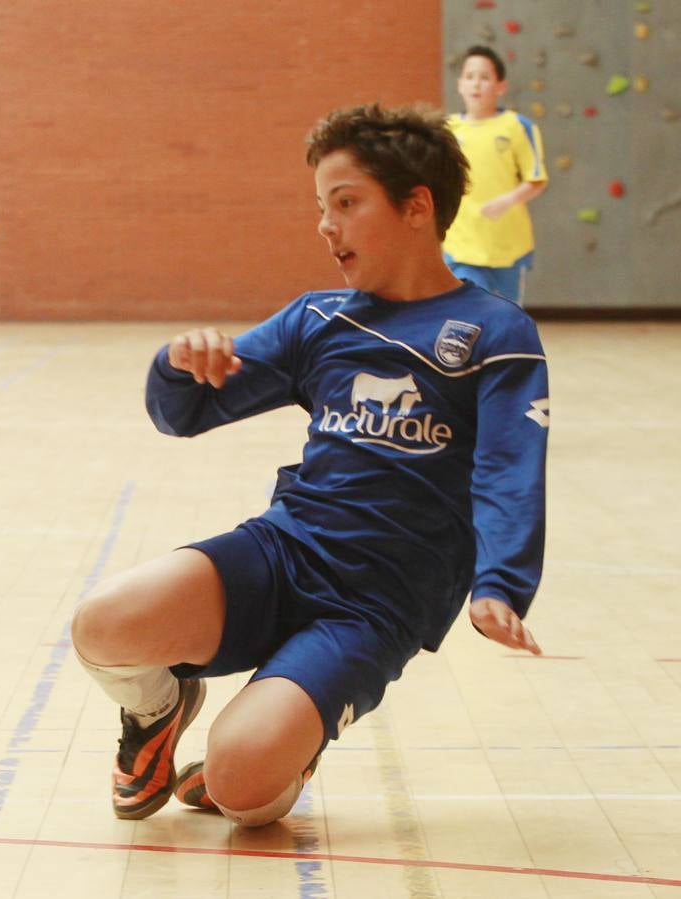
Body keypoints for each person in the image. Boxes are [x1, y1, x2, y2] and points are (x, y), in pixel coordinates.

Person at [71, 104, 550, 827]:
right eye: (322, 207)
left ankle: (279, 745)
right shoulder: (318, 320)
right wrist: (179, 365)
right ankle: (157, 714)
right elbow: (186, 414)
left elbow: (511, 467)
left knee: (240, 791)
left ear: (416, 207)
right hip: (285, 551)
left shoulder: (496, 332)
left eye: (347, 203)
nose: (327, 224)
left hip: (377, 606)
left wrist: (501, 583)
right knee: (102, 625)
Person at [442, 45, 548, 306]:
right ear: (460, 85)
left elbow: (536, 180)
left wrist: (506, 201)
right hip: (460, 246)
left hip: (508, 248)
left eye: (484, 77)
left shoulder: (517, 126)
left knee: (505, 318)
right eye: (470, 77)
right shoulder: (446, 130)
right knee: (468, 313)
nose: (476, 84)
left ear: (500, 86)